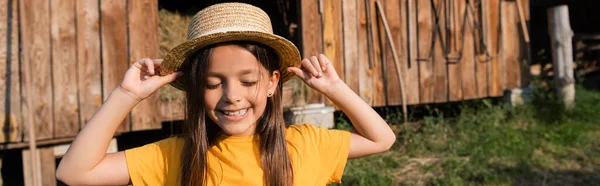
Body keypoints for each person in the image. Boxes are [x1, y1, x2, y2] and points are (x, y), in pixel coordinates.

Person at [56, 2, 395, 186]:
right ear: (194, 87)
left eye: (248, 82)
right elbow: (74, 173)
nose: (232, 96)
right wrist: (126, 94)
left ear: (273, 82)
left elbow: (381, 139)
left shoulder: (306, 144)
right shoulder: (177, 156)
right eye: (213, 83)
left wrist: (336, 90)